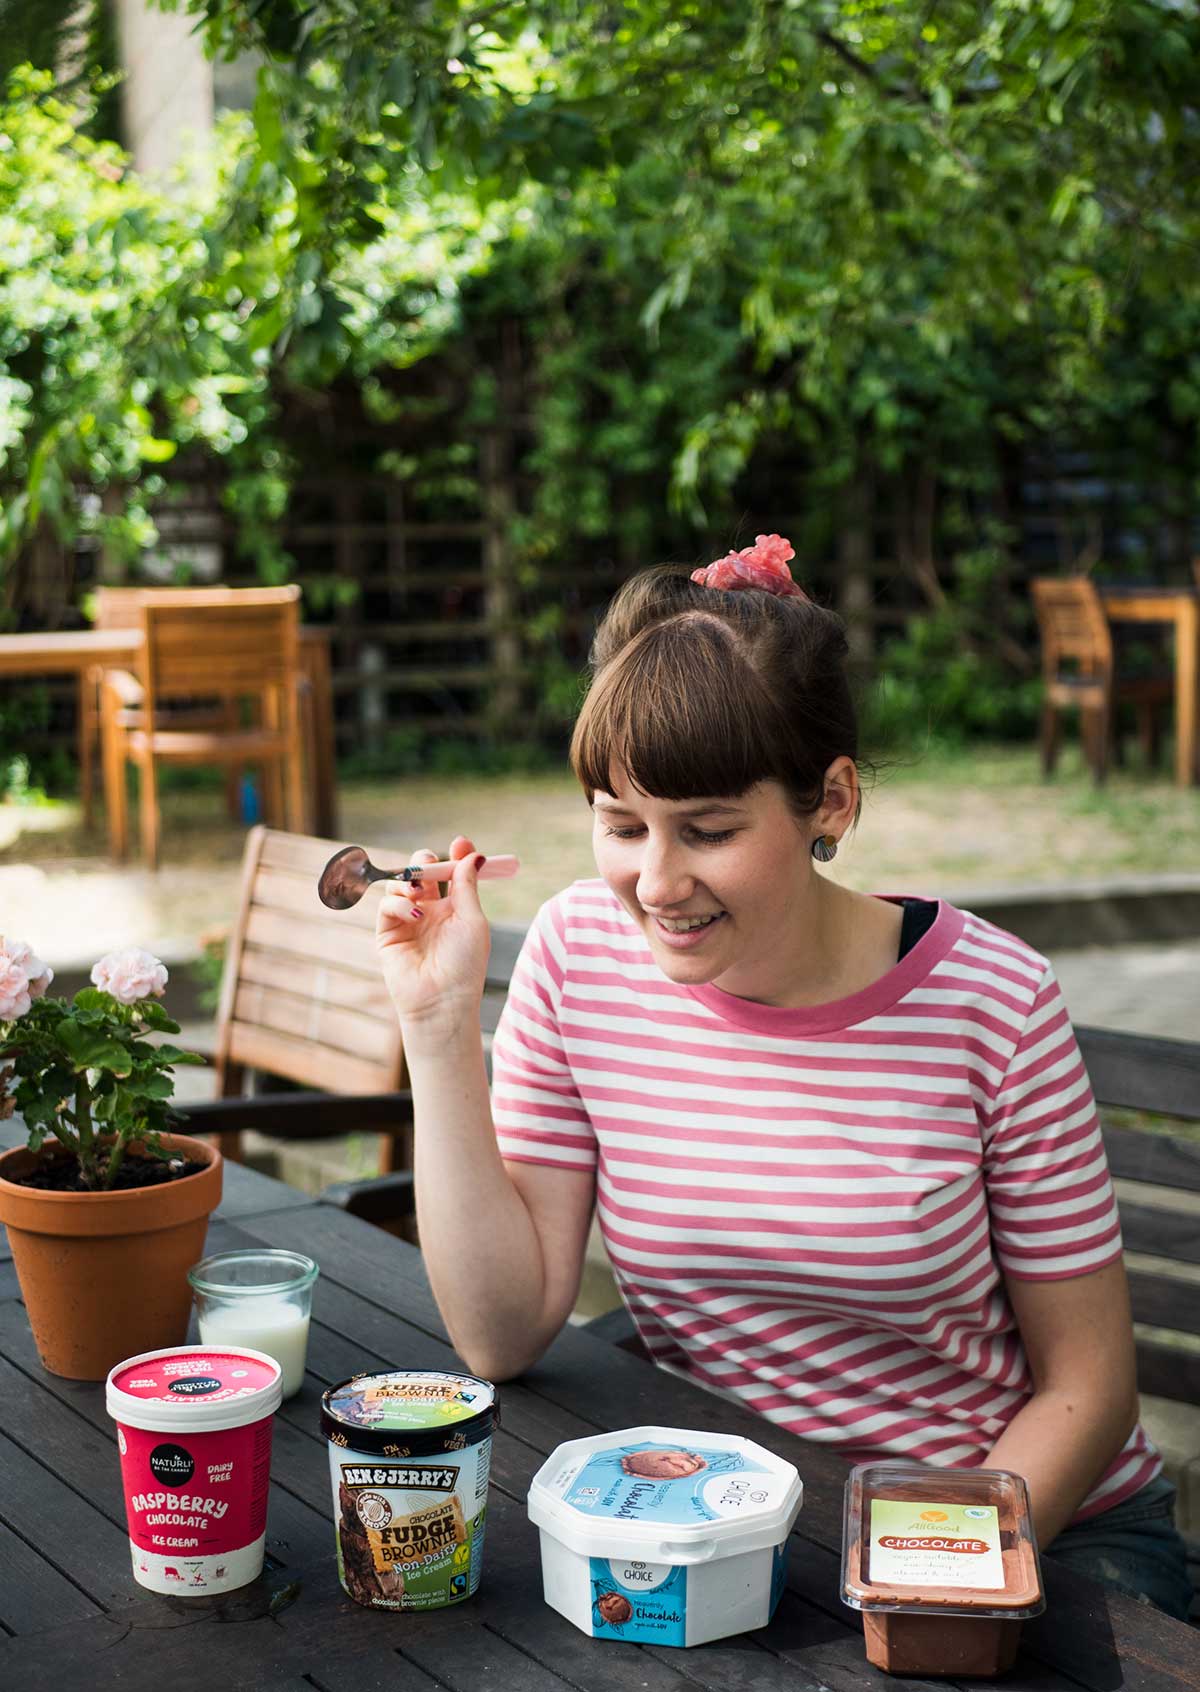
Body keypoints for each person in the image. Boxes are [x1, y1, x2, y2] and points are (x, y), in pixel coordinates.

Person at [375, 533, 1193, 1621]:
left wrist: (915, 1566)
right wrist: (435, 1027)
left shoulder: (993, 1003)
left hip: (1025, 1518)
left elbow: (1090, 1392)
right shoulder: (580, 954)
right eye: (621, 827)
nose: (655, 883)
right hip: (730, 1521)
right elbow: (502, 1331)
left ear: (833, 803)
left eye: (708, 831)